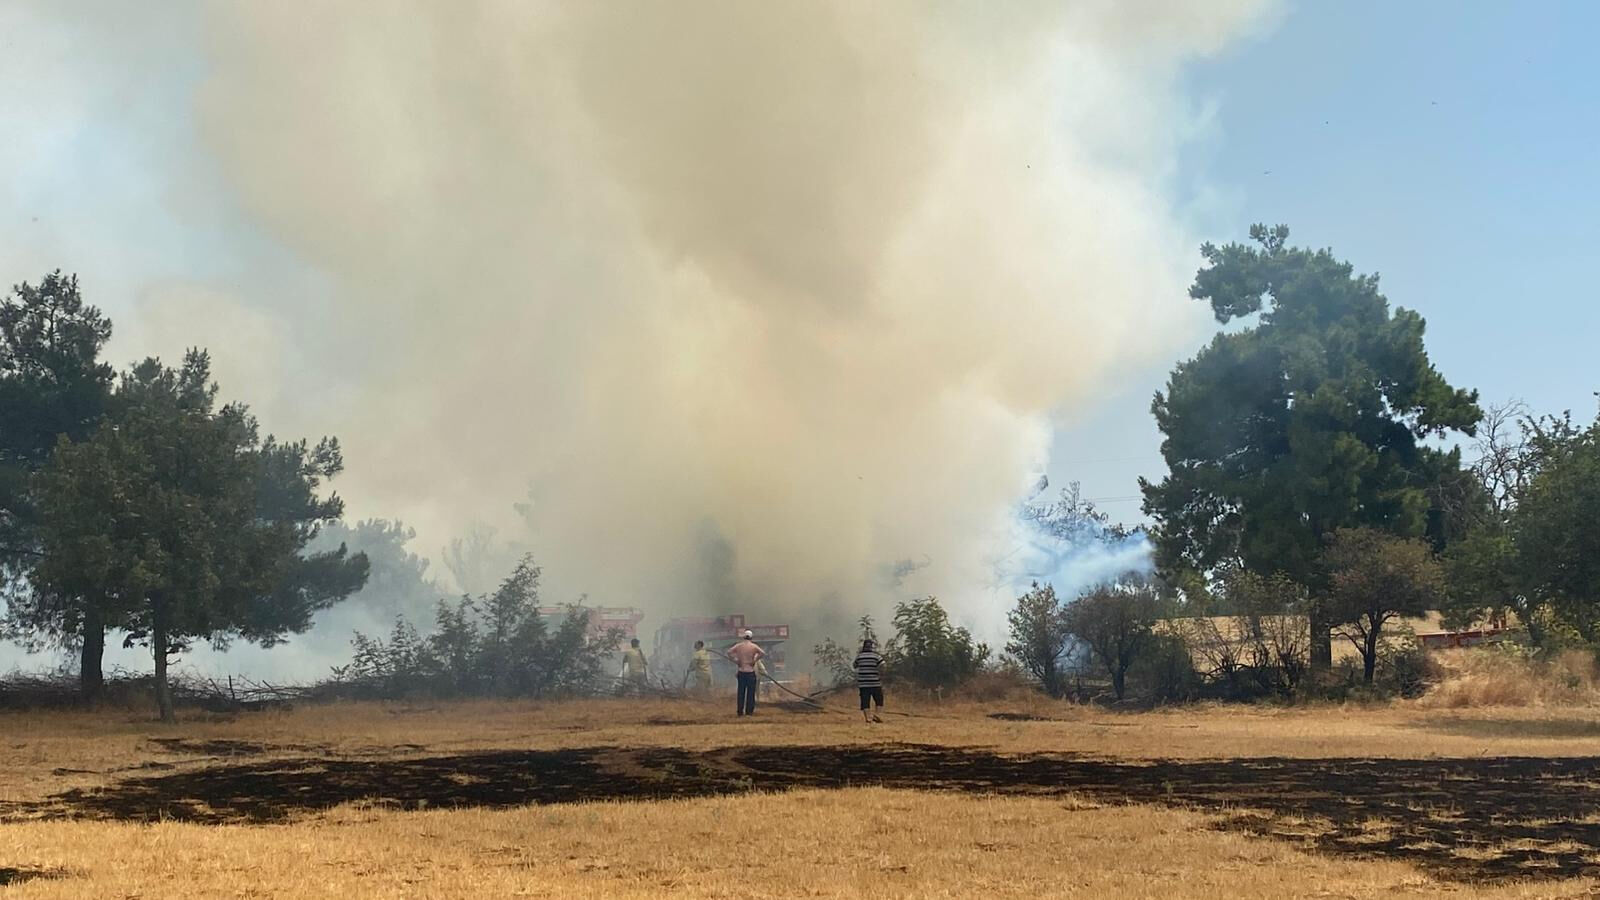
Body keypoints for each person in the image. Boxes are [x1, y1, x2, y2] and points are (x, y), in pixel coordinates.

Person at [726, 630, 766, 716]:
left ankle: (740, 711)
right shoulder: (753, 646)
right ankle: (749, 712)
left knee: (741, 693)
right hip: (750, 672)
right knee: (750, 693)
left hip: (741, 671)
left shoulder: (739, 646)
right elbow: (762, 653)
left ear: (743, 637)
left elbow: (729, 652)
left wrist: (736, 660)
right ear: (751, 637)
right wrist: (755, 660)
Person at [854, 638, 884, 723]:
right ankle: (877, 715)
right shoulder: (876, 656)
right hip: (875, 682)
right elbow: (883, 665)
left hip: (863, 684)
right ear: (871, 647)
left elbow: (854, 665)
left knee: (865, 701)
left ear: (863, 647)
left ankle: (868, 718)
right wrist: (881, 673)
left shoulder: (859, 656)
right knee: (879, 700)